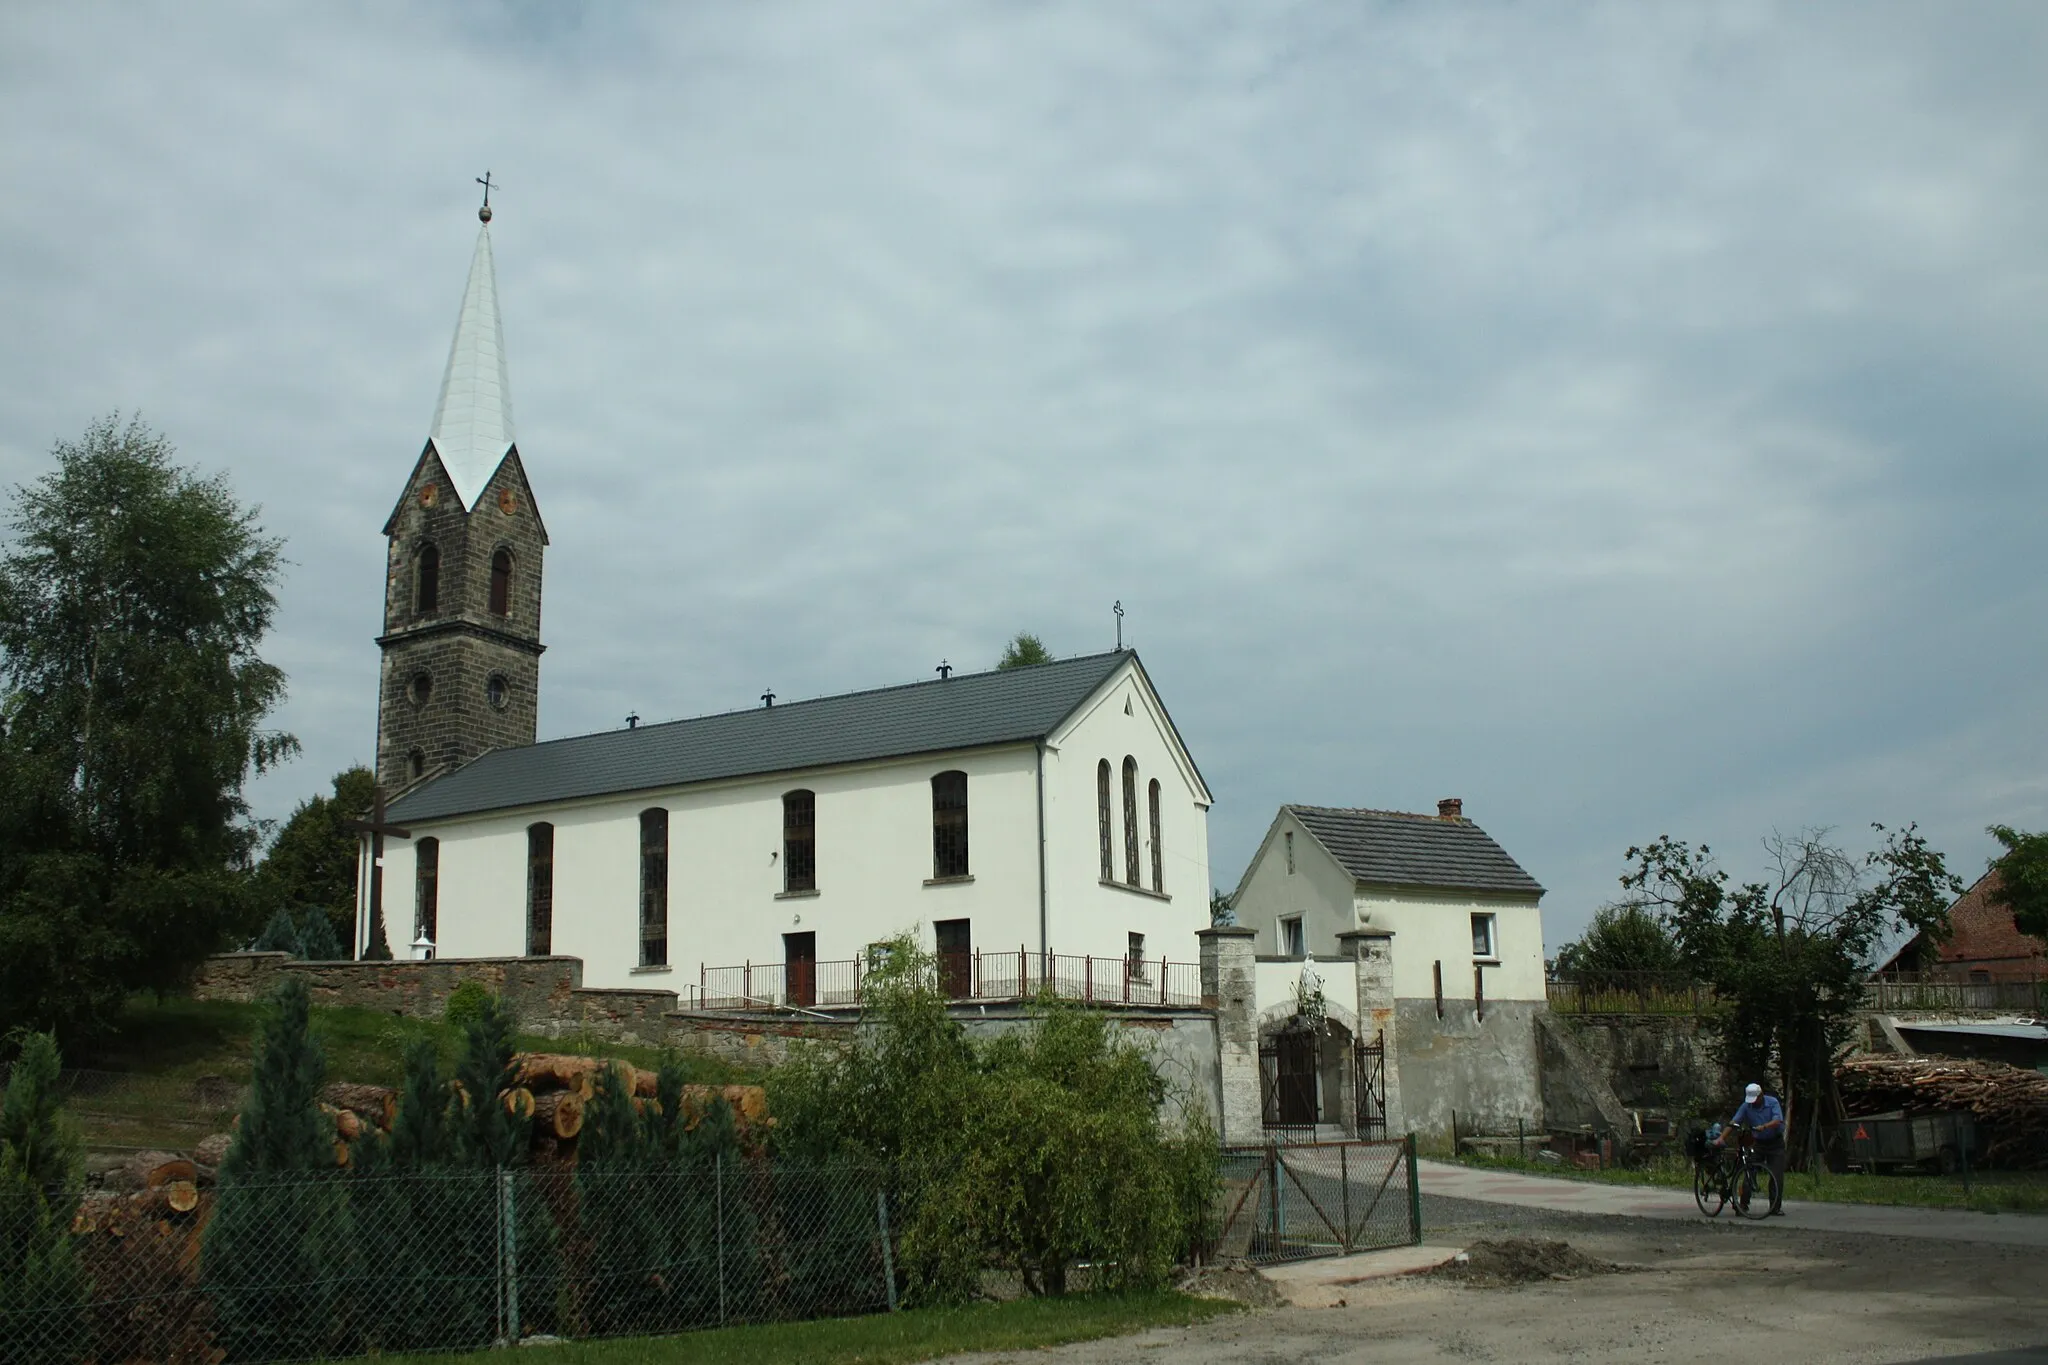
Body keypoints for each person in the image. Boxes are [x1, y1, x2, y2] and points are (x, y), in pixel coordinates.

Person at [1716, 1081, 1787, 1215]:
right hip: (1759, 1143)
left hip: (1775, 1143)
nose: (1753, 1103)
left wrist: (1765, 1126)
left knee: (1776, 1175)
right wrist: (1722, 1138)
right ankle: (1742, 1204)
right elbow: (1734, 1122)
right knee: (1749, 1171)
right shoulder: (1746, 1106)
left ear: (1761, 1095)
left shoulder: (1772, 1102)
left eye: (1755, 1100)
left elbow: (1778, 1120)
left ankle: (1775, 1207)